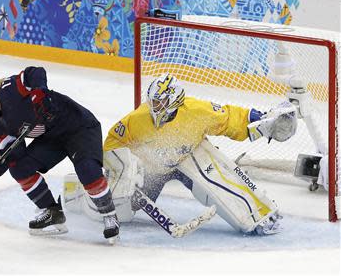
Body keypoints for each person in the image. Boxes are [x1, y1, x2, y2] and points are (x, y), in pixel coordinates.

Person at [64, 73, 297, 236]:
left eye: (161, 101)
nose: (155, 106)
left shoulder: (196, 111)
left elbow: (229, 118)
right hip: (151, 169)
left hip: (188, 157)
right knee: (123, 211)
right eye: (153, 101)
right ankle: (76, 192)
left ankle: (260, 215)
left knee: (220, 184)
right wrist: (127, 169)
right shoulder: (137, 119)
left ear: (175, 99)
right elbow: (113, 143)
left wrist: (260, 119)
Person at [0, 66, 119, 242]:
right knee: (19, 168)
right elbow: (14, 149)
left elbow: (35, 72)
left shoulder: (10, 89)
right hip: (52, 137)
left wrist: (40, 93)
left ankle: (109, 215)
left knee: (87, 170)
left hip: (79, 127)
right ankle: (52, 213)